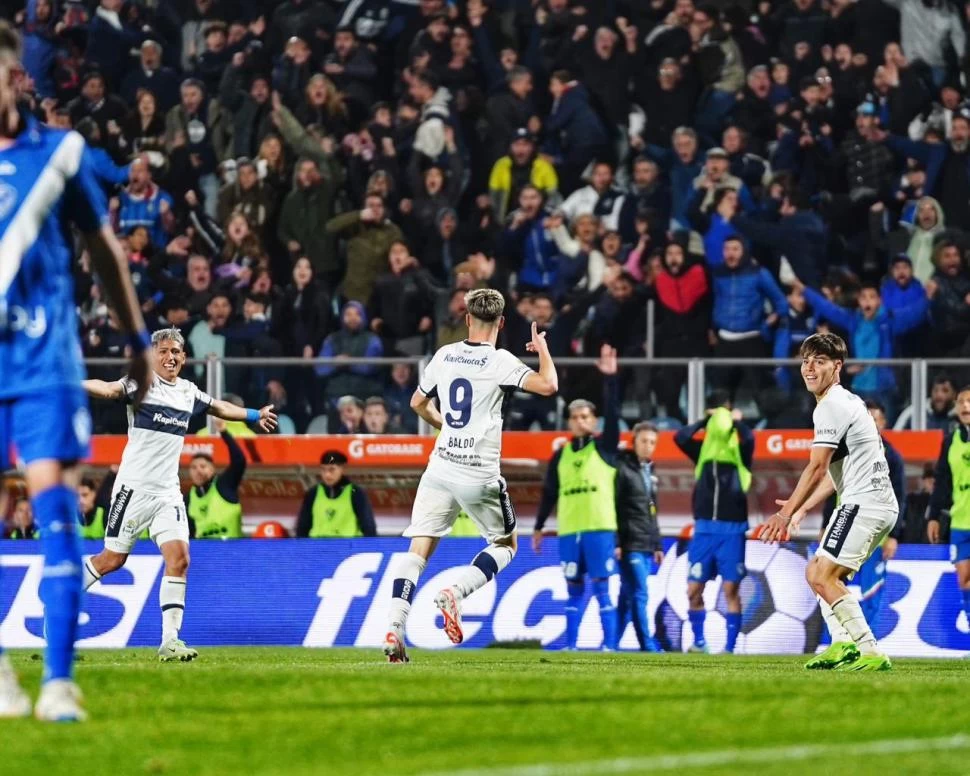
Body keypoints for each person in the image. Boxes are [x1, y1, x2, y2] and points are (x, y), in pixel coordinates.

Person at [0, 21, 152, 722]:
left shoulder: (62, 153)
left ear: (19, 78)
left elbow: (105, 252)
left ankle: (59, 681)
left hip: (42, 359)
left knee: (54, 498)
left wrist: (136, 340)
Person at [79, 328, 277, 663]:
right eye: (165, 351)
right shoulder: (141, 384)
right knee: (112, 560)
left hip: (168, 493)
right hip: (133, 489)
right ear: (153, 355)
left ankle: (170, 641)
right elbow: (109, 390)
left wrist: (255, 415)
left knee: (180, 559)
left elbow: (219, 407)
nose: (171, 357)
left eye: (177, 352)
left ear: (184, 358)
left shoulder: (188, 392)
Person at [383, 289, 558, 662]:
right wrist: (541, 347)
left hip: (440, 465)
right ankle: (456, 593)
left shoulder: (445, 355)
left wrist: (443, 424)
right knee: (507, 545)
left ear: (466, 318)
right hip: (477, 472)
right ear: (502, 322)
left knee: (418, 549)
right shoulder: (500, 361)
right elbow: (549, 386)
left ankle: (394, 627)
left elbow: (417, 402)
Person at [761, 333, 898, 672]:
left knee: (824, 576)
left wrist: (785, 512)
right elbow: (833, 472)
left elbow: (817, 465)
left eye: (819, 361)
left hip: (863, 503)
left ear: (838, 366)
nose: (809, 367)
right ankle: (842, 643)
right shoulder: (845, 401)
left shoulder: (831, 406)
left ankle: (868, 650)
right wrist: (804, 507)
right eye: (806, 360)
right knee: (817, 572)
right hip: (870, 503)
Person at [533, 346, 621, 651]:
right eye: (574, 417)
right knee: (572, 588)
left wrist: (610, 381)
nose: (580, 421)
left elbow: (615, 418)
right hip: (570, 530)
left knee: (601, 589)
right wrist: (539, 526)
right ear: (569, 422)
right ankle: (571, 645)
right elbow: (549, 492)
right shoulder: (560, 455)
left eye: (585, 416)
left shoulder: (605, 448)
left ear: (594, 420)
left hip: (599, 529)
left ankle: (609, 647)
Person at [674, 392, 754, 654]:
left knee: (731, 589)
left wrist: (737, 422)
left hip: (733, 531)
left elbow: (751, 437)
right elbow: (679, 437)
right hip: (705, 529)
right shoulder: (701, 451)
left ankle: (730, 649)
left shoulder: (741, 449)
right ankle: (699, 643)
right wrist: (702, 421)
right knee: (693, 590)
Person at [615, 422, 664, 652]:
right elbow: (613, 507)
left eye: (652, 442)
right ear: (633, 442)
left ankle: (611, 644)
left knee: (627, 596)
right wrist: (616, 542)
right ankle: (648, 645)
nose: (648, 446)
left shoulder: (650, 472)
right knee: (640, 593)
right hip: (629, 543)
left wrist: (657, 545)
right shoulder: (622, 469)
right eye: (644, 441)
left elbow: (652, 510)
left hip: (646, 543)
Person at [926, 386, 970, 642]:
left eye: (969, 402)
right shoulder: (950, 440)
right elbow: (942, 482)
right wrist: (933, 516)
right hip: (961, 522)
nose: (965, 406)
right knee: (963, 580)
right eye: (961, 402)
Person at [186, 419, 247, 539]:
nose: (198, 470)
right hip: (205, 552)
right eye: (193, 467)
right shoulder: (187, 499)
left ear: (212, 469)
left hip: (231, 550)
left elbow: (239, 461)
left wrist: (224, 432)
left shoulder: (224, 485)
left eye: (203, 466)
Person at [296, 450, 377, 538]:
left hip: (347, 548)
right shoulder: (313, 493)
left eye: (332, 469)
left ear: (342, 469)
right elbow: (302, 527)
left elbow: (369, 527)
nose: (327, 475)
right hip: (318, 548)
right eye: (323, 470)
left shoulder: (355, 493)